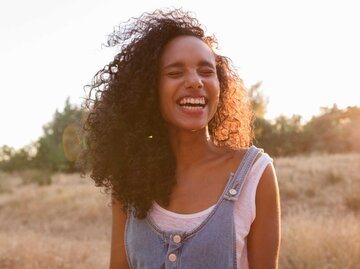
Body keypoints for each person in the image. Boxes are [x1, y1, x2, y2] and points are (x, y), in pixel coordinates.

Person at [84, 8, 280, 269]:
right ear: (148, 89)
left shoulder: (255, 174)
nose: (195, 82)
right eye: (175, 73)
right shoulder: (129, 177)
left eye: (206, 71)